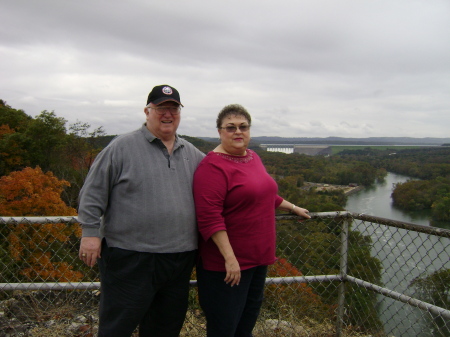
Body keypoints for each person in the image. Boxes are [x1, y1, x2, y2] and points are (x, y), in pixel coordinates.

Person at [77, 84, 205, 337]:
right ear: (147, 111)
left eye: (173, 108)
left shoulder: (192, 153)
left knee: (165, 328)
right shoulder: (121, 148)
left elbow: (227, 182)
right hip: (130, 257)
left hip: (179, 259)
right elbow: (92, 193)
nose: (167, 114)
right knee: (117, 327)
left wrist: (277, 201)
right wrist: (90, 233)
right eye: (160, 108)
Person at [193, 104, 311, 337]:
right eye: (231, 127)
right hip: (228, 267)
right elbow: (209, 218)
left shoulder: (252, 157)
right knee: (224, 328)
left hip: (258, 260)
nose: (238, 132)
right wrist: (230, 258)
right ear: (219, 131)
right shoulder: (212, 167)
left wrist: (293, 207)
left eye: (243, 127)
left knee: (245, 326)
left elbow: (265, 193)